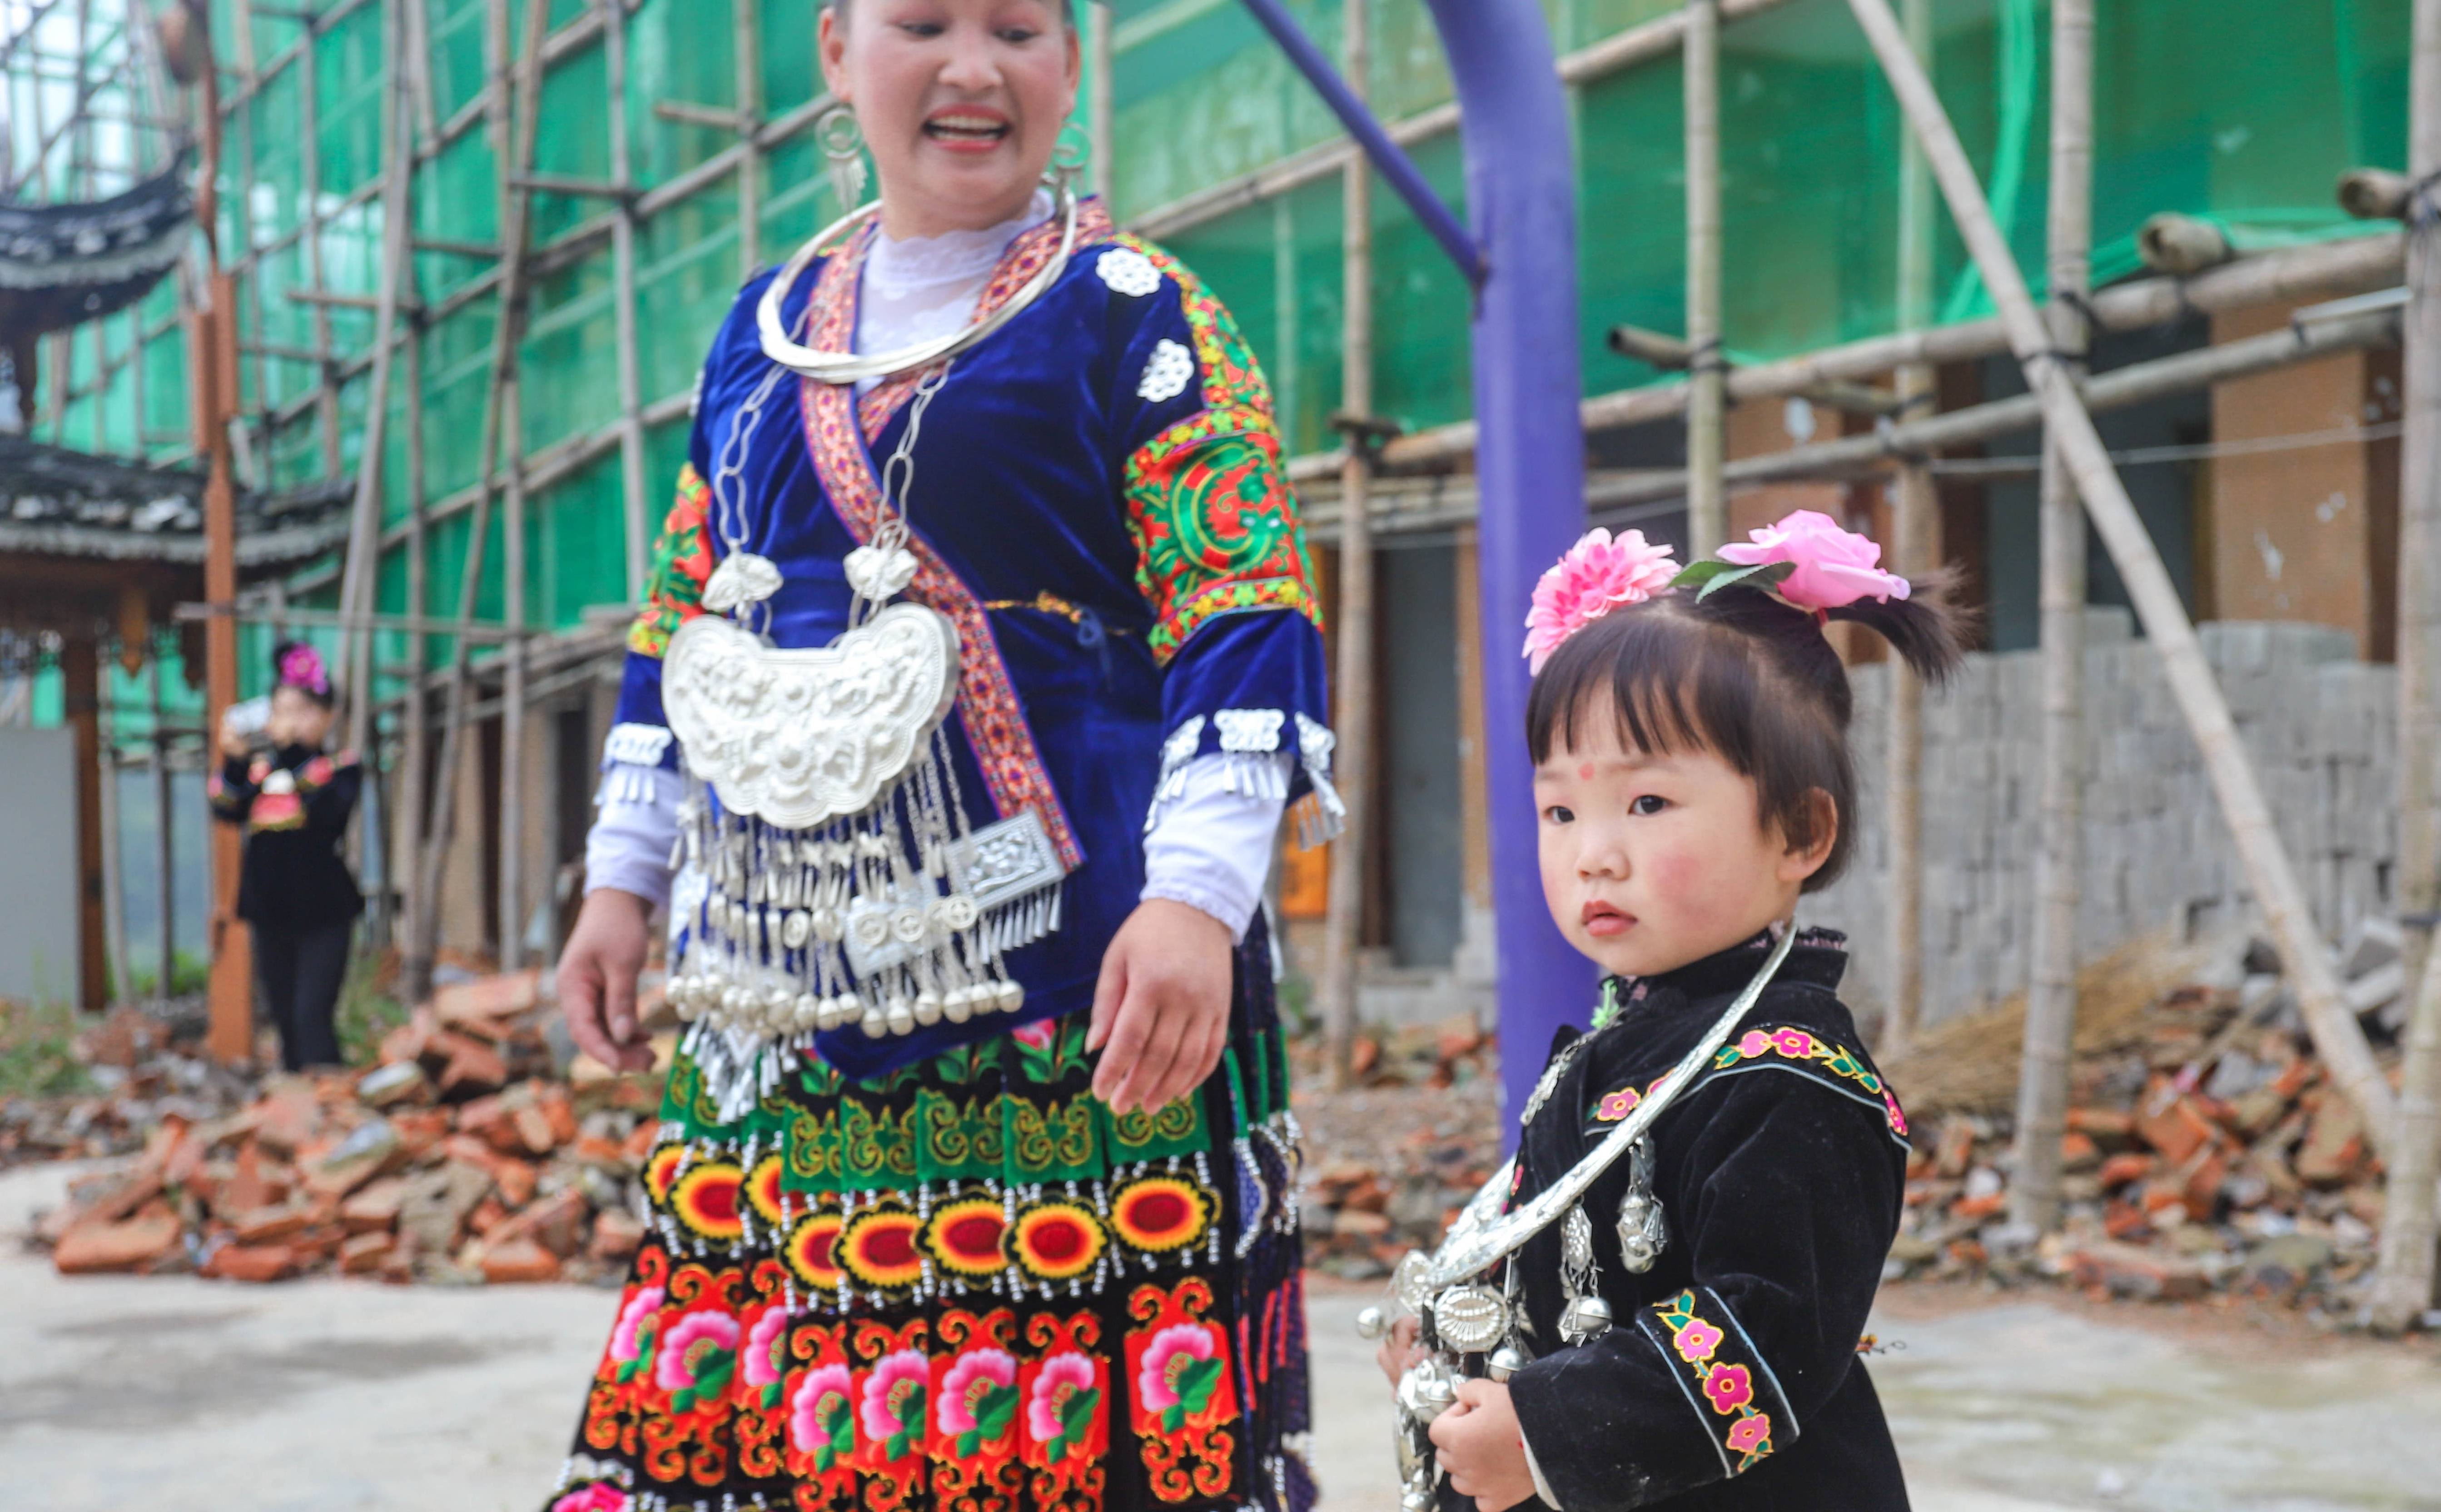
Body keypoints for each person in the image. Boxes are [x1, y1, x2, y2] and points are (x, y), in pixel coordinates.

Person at [544, 0, 1331, 1508]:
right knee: (802, 1399)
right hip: (786, 980)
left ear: (1070, 68)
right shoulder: (757, 332)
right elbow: (680, 616)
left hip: (1081, 973)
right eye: (924, 23)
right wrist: (621, 877)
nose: (974, 69)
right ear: (837, 53)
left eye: (1020, 29)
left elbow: (1239, 605)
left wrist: (1198, 901)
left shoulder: (1136, 312)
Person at [1375, 511, 1964, 1512]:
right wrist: (1450, 1339)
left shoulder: (1790, 1078)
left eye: (1646, 804)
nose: (1592, 851)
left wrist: (1540, 1433)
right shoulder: (1620, 1044)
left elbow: (1762, 1330)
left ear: (1798, 831)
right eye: (1561, 809)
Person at [207, 640, 363, 1072]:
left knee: (312, 1015)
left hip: (323, 913)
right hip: (269, 911)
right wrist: (236, 761)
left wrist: (293, 753)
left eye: (303, 710)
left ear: (327, 715)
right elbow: (226, 809)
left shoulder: (338, 766)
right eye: (283, 710)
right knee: (283, 1018)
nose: (291, 721)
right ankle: (295, 1109)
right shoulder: (260, 770)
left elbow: (329, 816)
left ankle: (329, 1098)